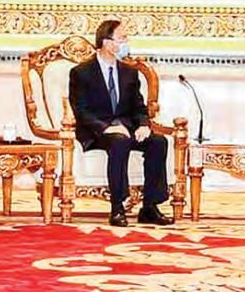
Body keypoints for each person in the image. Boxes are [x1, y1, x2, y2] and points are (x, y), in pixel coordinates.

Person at [68, 20, 173, 227]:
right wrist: (107, 127)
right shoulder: (81, 72)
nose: (126, 42)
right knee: (119, 141)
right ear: (107, 43)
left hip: (127, 128)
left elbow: (139, 106)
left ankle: (149, 207)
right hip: (97, 131)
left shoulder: (129, 72)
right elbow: (81, 110)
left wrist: (143, 124)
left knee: (158, 142)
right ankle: (117, 207)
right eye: (122, 38)